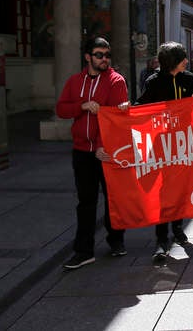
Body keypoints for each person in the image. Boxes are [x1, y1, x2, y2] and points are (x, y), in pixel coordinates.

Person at [56, 37, 129, 270]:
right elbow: (61, 109)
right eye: (99, 55)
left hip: (105, 151)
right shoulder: (74, 81)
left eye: (107, 55)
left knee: (112, 198)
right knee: (86, 202)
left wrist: (101, 145)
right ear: (88, 57)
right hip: (81, 151)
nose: (104, 59)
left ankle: (116, 240)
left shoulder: (116, 81)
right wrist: (82, 105)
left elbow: (116, 117)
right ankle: (84, 251)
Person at [136, 41, 193, 261]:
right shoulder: (154, 82)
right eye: (183, 57)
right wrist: (127, 110)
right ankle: (162, 238)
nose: (187, 61)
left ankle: (179, 228)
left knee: (181, 188)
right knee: (163, 192)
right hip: (162, 146)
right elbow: (141, 106)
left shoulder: (189, 79)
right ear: (173, 60)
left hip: (184, 144)